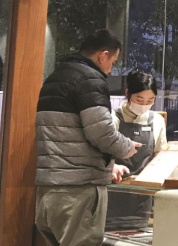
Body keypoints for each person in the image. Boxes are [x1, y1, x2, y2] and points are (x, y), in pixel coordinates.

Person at [35, 29, 141, 246]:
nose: (110, 69)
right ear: (103, 56)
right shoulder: (90, 80)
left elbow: (67, 134)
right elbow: (101, 133)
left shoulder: (55, 78)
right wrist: (127, 147)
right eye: (113, 62)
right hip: (78, 191)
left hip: (48, 190)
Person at [111, 70, 167, 182]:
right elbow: (101, 154)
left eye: (150, 101)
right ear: (127, 93)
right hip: (116, 184)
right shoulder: (112, 118)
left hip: (146, 184)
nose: (144, 105)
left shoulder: (157, 121)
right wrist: (112, 167)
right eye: (139, 100)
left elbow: (160, 155)